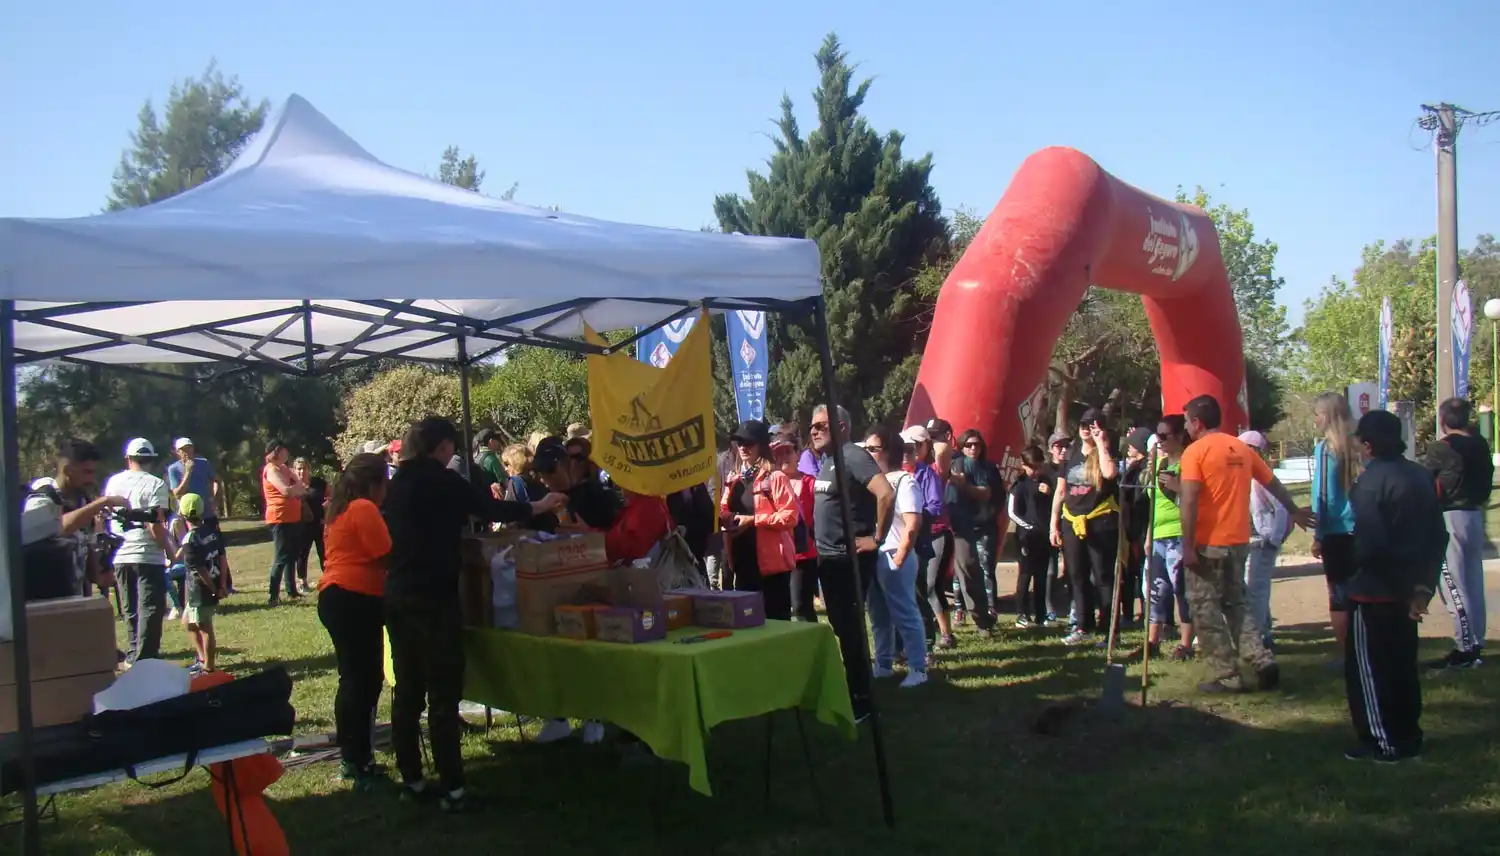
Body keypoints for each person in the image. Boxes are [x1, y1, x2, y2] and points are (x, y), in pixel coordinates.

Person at [383, 417, 566, 812]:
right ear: (444, 446)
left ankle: (412, 780)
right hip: (434, 595)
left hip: (397, 593)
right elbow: (488, 506)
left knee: (408, 691)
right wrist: (540, 504)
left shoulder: (399, 482)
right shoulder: (442, 480)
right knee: (443, 694)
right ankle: (453, 789)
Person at [1178, 395, 1311, 694]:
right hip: (1238, 542)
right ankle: (1261, 659)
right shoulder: (1240, 447)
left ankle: (1226, 674)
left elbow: (1188, 499)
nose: (1186, 427)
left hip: (1206, 543)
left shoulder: (1195, 452)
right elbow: (1272, 482)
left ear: (1197, 422)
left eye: (1187, 421)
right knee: (1237, 603)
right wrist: (1293, 509)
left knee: (1205, 608)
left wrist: (1187, 545)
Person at [1343, 410, 1449, 762]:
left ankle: (1382, 741)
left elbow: (1370, 542)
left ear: (1368, 444)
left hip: (1373, 589)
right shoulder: (1421, 476)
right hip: (1408, 588)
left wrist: (1350, 568)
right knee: (1402, 666)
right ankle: (1407, 735)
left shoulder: (1370, 483)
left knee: (1370, 670)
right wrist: (1422, 586)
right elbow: (1438, 535)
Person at [811, 404, 896, 721]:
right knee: (841, 627)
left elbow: (885, 494)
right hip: (829, 560)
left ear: (842, 426)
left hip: (848, 561)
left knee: (851, 630)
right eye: (813, 426)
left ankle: (862, 700)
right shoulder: (828, 460)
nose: (815, 430)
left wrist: (877, 537)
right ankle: (854, 689)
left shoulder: (853, 456)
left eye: (821, 425)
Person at [317, 453, 394, 789]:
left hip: (337, 596)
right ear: (376, 483)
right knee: (363, 682)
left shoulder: (339, 510)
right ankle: (357, 759)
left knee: (352, 680)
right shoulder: (364, 508)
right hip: (354, 598)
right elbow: (386, 554)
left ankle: (353, 756)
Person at [1423, 396, 1492, 670]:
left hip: (1449, 516)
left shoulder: (1442, 448)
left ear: (1443, 420)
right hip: (1475, 514)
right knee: (1473, 582)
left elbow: (1426, 481)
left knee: (1453, 583)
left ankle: (1465, 646)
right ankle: (1476, 640)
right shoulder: (1480, 444)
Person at [22, 438, 126, 600]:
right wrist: (101, 503)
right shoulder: (43, 499)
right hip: (45, 601)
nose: (92, 479)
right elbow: (57, 527)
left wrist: (99, 574)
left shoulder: (82, 501)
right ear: (68, 470)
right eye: (87, 472)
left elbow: (87, 543)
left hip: (75, 598)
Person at [867, 424, 929, 687]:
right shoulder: (873, 481)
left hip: (894, 556)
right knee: (878, 616)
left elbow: (913, 523)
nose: (867, 454)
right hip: (875, 555)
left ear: (887, 451)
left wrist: (900, 556)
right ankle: (883, 664)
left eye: (873, 449)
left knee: (905, 613)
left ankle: (918, 668)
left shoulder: (905, 481)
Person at [1050, 409, 1120, 644]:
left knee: (1102, 576)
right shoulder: (1070, 455)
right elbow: (1060, 491)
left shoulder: (1105, 453)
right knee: (1076, 575)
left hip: (1100, 521)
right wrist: (1054, 524)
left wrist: (1101, 443)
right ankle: (1082, 625)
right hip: (1072, 520)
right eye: (1082, 423)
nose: (1085, 428)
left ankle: (1109, 628)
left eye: (1091, 424)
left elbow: (1110, 473)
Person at [719, 420, 800, 620]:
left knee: (776, 626)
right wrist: (726, 519)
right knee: (747, 626)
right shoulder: (733, 479)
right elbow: (724, 510)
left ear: (761, 446)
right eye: (739, 443)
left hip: (771, 569)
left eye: (749, 443)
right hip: (742, 564)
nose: (743, 448)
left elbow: (790, 517)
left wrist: (753, 520)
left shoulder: (775, 477)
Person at [104, 438, 172, 666]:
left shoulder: (113, 482)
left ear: (128, 459)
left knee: (129, 608)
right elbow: (155, 524)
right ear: (151, 459)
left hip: (120, 553)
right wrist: (171, 551)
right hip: (147, 554)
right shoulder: (156, 484)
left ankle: (133, 654)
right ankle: (146, 659)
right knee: (150, 609)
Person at [1311, 391, 1360, 661]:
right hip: (1361, 530)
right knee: (1360, 593)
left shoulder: (1325, 450)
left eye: (1317, 415)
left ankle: (1346, 654)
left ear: (1328, 416)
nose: (1315, 421)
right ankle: (1363, 647)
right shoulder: (1359, 446)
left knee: (1339, 596)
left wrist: (1318, 534)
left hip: (1336, 533)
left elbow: (1324, 496)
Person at [1144, 416, 1195, 661]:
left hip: (1179, 532)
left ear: (1179, 436)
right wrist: (1148, 536)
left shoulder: (1190, 461)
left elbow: (1198, 497)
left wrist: (1178, 487)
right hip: (1158, 534)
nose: (1160, 441)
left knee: (1181, 589)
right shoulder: (1161, 463)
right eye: (1158, 436)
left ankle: (1186, 645)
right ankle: (1152, 642)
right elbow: (1152, 502)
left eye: (1165, 436)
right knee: (1155, 589)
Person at [903, 425, 953, 647]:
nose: (907, 452)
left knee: (931, 585)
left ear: (923, 447)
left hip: (935, 535)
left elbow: (935, 505)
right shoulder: (899, 474)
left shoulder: (928, 473)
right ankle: (923, 634)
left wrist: (914, 516)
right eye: (903, 447)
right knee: (915, 586)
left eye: (913, 446)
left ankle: (946, 634)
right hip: (911, 537)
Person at [948, 429, 1000, 637]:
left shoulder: (983, 467)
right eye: (968, 445)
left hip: (975, 526)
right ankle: (944, 621)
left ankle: (983, 619)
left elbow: (987, 493)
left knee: (973, 571)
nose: (972, 448)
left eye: (976, 444)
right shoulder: (953, 462)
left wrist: (965, 485)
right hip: (946, 525)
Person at [1240, 430, 1289, 649]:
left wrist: (1273, 539)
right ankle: (1265, 630)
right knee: (1252, 588)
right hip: (1250, 540)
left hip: (1262, 540)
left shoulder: (1261, 477)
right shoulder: (1246, 475)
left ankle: (1258, 637)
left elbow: (1282, 508)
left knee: (1255, 589)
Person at [176, 493, 228, 675]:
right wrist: (223, 584)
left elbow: (200, 570)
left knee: (205, 628)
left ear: (182, 514)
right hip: (206, 587)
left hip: (202, 589)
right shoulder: (212, 532)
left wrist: (215, 590)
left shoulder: (190, 540)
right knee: (188, 623)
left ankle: (209, 667)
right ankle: (201, 658)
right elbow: (222, 558)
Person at [773, 431, 820, 621]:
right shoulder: (769, 483)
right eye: (779, 453)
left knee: (801, 606)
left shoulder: (810, 483)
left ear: (798, 453)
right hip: (776, 555)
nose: (783, 457)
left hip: (803, 555)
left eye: (788, 452)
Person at [1007, 447, 1053, 628]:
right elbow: (1012, 512)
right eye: (1032, 467)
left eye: (1039, 467)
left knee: (1041, 577)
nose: (1035, 472)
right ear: (1023, 465)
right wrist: (1029, 527)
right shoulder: (1019, 485)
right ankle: (1021, 614)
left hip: (1043, 536)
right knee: (1025, 575)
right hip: (1026, 537)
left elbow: (1053, 506)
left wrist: (1049, 493)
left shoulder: (1046, 482)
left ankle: (1041, 615)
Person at [262, 439, 306, 604]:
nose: (287, 453)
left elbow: (301, 486)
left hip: (293, 517)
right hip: (279, 518)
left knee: (292, 555)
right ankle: (273, 596)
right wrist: (296, 489)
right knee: (281, 557)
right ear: (276, 451)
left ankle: (291, 590)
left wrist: (297, 489)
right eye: (284, 450)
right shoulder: (271, 470)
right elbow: (286, 491)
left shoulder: (284, 468)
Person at [1119, 427, 1155, 627]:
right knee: (1129, 572)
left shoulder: (1143, 470)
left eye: (1133, 443)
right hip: (1129, 526)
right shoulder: (1131, 468)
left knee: (1141, 571)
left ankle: (1145, 612)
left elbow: (1141, 498)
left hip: (1140, 526)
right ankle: (1128, 613)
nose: (1129, 447)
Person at [1044, 431, 1072, 625]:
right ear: (1050, 448)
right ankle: (1049, 608)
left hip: (1071, 522)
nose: (1062, 450)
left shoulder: (1075, 467)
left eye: (1066, 446)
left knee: (1073, 568)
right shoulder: (1045, 471)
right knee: (1051, 569)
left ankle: (1073, 607)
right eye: (1058, 446)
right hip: (1051, 523)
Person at [165, 438, 222, 520]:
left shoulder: (204, 463)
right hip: (187, 513)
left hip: (206, 511)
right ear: (178, 452)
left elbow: (217, 480)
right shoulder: (173, 469)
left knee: (213, 532)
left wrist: (216, 500)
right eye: (183, 449)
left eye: (189, 448)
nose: (187, 452)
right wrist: (188, 472)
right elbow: (177, 494)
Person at [293, 458, 327, 592]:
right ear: (294, 470)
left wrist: (327, 506)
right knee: (302, 554)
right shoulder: (293, 485)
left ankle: (328, 579)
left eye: (304, 468)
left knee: (324, 552)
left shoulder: (318, 483)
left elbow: (332, 495)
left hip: (319, 523)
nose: (301, 471)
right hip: (301, 525)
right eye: (298, 469)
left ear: (309, 469)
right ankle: (302, 582)